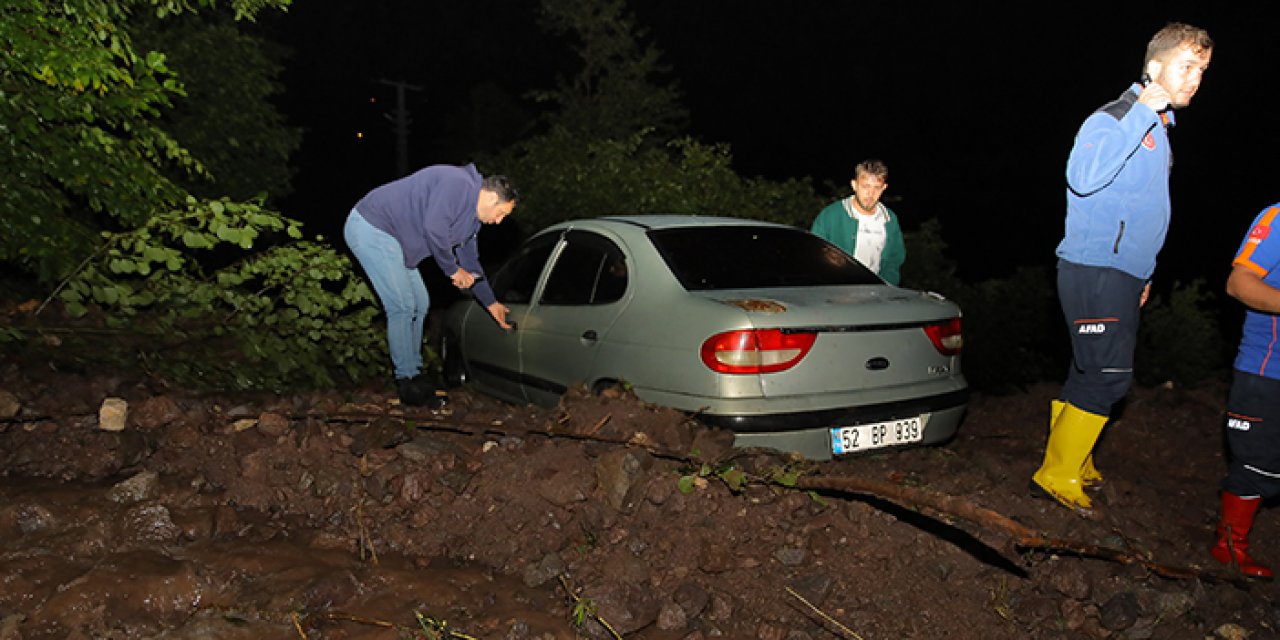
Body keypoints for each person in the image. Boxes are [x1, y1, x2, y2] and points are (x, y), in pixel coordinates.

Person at [1031, 23, 1212, 518]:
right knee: (1110, 376)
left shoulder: (1157, 130)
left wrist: (1143, 275)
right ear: (1154, 68)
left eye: (1201, 71)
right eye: (1186, 67)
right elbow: (1082, 178)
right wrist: (1140, 113)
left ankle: (1077, 461)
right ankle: (1056, 472)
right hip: (1095, 266)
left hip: (1121, 273)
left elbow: (1141, 209)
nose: (1195, 79)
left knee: (1088, 369)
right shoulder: (1115, 117)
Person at [344, 163, 517, 407]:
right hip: (372, 228)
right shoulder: (457, 184)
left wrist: (491, 304)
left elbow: (471, 263)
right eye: (501, 214)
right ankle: (407, 381)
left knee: (421, 303)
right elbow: (434, 229)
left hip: (397, 244)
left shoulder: (471, 223)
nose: (499, 222)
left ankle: (416, 375)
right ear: (490, 197)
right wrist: (452, 270)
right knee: (403, 306)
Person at [1209, 204, 1280, 579]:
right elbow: (1239, 284)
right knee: (1258, 466)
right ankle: (1230, 548)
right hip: (1267, 371)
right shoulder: (1278, 217)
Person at [810, 159, 906, 285]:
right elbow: (813, 254)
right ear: (854, 185)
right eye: (865, 186)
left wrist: (886, 286)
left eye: (876, 187)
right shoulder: (830, 215)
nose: (871, 194)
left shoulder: (889, 219)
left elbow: (894, 260)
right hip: (835, 291)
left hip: (876, 293)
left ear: (884, 187)